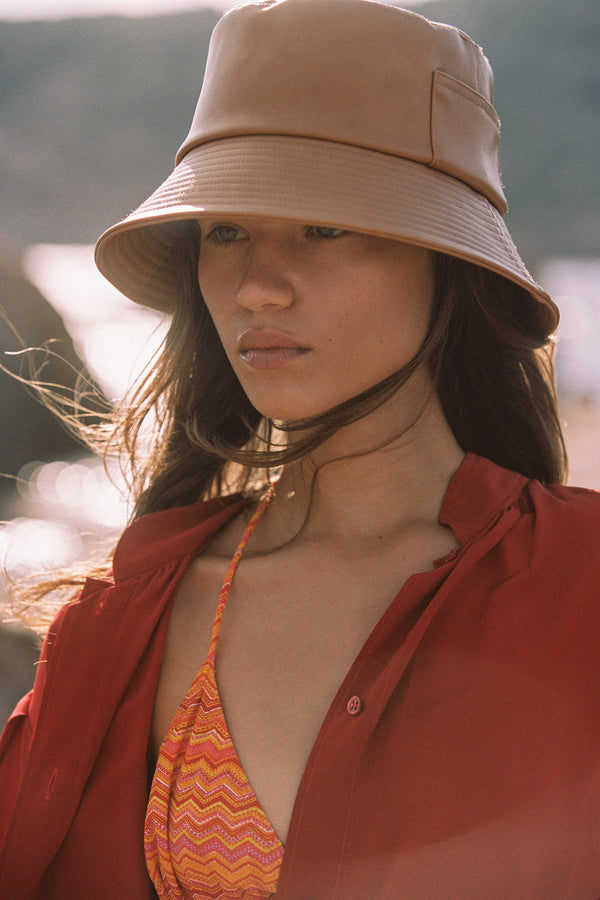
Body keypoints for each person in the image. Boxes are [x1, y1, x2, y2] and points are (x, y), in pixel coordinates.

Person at [1, 0, 599, 897]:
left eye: (325, 226)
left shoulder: (581, 587)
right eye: (227, 231)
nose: (259, 287)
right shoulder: (123, 620)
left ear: (447, 261)